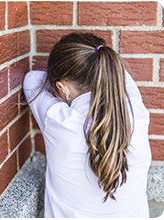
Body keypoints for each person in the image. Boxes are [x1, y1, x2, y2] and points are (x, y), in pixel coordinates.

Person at [23, 33, 152, 218]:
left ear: (62, 87)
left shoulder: (58, 119)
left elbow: (32, 79)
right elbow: (120, 75)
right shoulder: (136, 113)